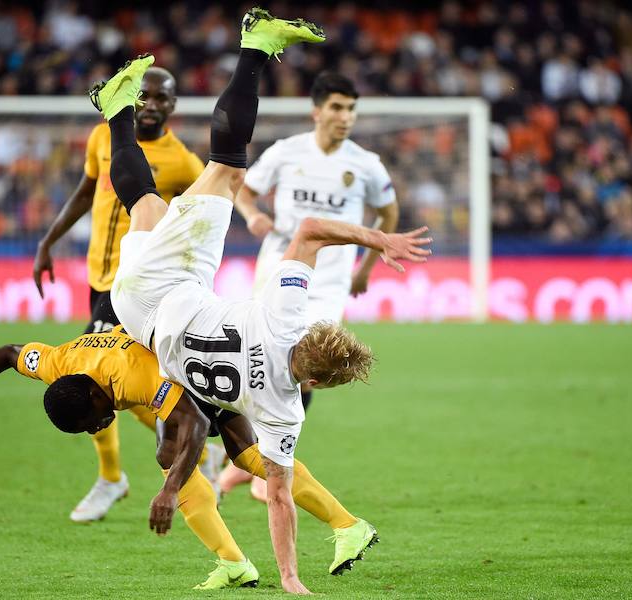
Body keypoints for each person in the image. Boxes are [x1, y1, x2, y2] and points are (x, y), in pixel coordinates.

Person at [89, 8, 430, 594]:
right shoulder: (283, 411)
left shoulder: (286, 316)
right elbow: (277, 495)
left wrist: (380, 239)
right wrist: (291, 579)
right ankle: (116, 106)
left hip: (168, 289)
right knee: (146, 203)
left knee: (224, 167)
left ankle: (254, 45)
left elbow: (309, 232)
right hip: (144, 314)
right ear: (315, 384)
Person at [0, 325, 381, 590]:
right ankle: (341, 528)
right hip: (186, 361)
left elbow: (195, 422)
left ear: (97, 395)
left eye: (92, 421)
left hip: (205, 364)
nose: (97, 428)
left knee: (177, 450)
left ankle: (238, 560)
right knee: (246, 456)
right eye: (88, 432)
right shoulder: (57, 365)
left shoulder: (132, 379)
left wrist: (168, 491)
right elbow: (8, 353)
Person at [31, 67, 220, 523]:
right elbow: (85, 192)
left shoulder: (183, 162)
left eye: (162, 98)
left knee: (89, 375)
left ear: (174, 106)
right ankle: (188, 438)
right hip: (99, 276)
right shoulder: (103, 138)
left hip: (139, 286)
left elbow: (199, 220)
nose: (151, 104)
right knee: (119, 381)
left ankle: (115, 475)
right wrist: (48, 241)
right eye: (144, 96)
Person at [225, 70, 399, 501]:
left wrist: (365, 270)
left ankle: (270, 468)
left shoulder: (365, 164)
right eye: (338, 107)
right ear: (317, 111)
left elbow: (388, 215)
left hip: (330, 282)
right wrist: (252, 216)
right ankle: (244, 460)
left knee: (306, 370)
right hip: (279, 271)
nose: (346, 117)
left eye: (352, 109)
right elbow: (243, 190)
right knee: (257, 361)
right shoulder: (287, 152)